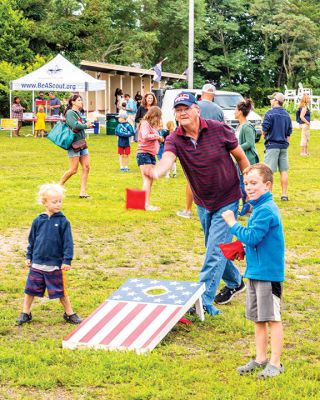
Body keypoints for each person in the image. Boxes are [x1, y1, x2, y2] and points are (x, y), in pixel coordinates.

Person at [144, 91, 250, 315]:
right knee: (214, 248)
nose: (182, 113)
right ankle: (236, 281)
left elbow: (241, 158)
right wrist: (156, 172)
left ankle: (203, 301)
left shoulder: (219, 130)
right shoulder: (175, 138)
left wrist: (249, 187)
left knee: (214, 251)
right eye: (178, 110)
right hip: (203, 201)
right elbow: (167, 160)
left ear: (197, 110)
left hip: (228, 198)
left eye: (186, 109)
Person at [221, 163, 285, 378]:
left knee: (272, 318)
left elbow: (254, 236)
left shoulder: (266, 210)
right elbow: (255, 241)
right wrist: (243, 248)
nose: (248, 187)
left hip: (268, 274)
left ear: (267, 185)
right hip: (255, 272)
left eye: (254, 183)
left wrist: (232, 224)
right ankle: (260, 359)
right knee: (258, 318)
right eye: (246, 183)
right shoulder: (257, 207)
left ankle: (275, 363)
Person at [16, 184, 82, 326]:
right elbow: (32, 240)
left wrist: (67, 260)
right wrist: (29, 256)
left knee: (61, 291)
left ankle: (69, 313)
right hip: (37, 264)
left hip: (55, 265)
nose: (58, 204)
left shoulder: (63, 222)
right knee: (30, 290)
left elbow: (68, 243)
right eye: (54, 201)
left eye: (60, 201)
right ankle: (25, 313)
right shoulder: (38, 220)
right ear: (44, 203)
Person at [177, 84, 224, 219]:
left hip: (194, 148)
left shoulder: (193, 106)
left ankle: (187, 210)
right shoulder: (219, 110)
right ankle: (216, 208)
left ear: (202, 94)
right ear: (213, 95)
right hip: (214, 149)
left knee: (192, 181)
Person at [59, 95, 93, 198]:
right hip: (74, 144)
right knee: (73, 170)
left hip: (82, 142)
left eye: (81, 100)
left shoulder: (78, 113)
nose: (81, 102)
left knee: (86, 167)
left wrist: (86, 124)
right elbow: (75, 125)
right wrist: (86, 125)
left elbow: (79, 126)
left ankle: (83, 192)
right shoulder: (70, 113)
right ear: (73, 102)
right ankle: (58, 186)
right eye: (79, 100)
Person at [262, 92, 292, 201]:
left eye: (271, 99)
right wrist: (286, 143)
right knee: (283, 171)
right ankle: (284, 195)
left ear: (275, 100)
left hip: (272, 145)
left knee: (269, 171)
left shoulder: (269, 113)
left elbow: (264, 129)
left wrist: (264, 136)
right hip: (284, 146)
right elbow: (289, 133)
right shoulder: (287, 115)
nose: (270, 101)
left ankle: (269, 195)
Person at [137, 106, 164, 211]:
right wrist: (157, 137)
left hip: (151, 154)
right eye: (159, 117)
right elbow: (145, 136)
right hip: (144, 154)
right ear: (154, 115)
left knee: (150, 180)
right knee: (147, 180)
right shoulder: (145, 123)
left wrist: (159, 137)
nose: (159, 119)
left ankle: (146, 203)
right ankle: (145, 205)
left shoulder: (151, 126)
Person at [235, 98, 259, 215]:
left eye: (236, 109)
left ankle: (248, 206)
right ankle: (247, 205)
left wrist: (236, 148)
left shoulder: (247, 126)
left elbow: (250, 143)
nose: (234, 112)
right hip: (240, 158)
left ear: (240, 112)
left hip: (248, 159)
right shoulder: (241, 126)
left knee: (245, 183)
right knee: (241, 183)